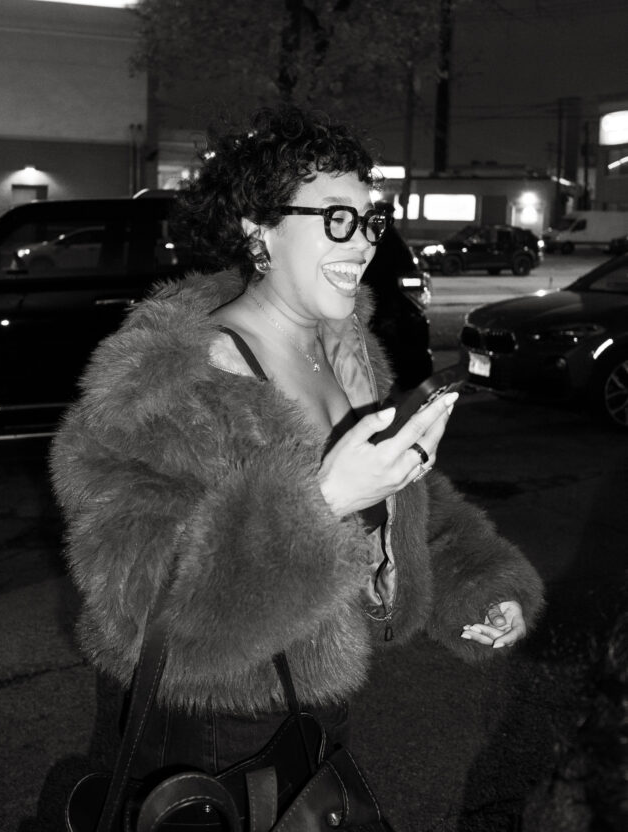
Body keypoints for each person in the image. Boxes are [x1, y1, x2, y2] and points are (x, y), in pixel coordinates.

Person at [50, 105, 544, 780]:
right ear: (260, 229)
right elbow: (136, 606)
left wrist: (478, 585)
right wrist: (318, 503)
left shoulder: (346, 351)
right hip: (209, 728)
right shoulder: (168, 380)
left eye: (371, 220)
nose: (363, 243)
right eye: (337, 218)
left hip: (317, 710)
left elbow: (400, 503)